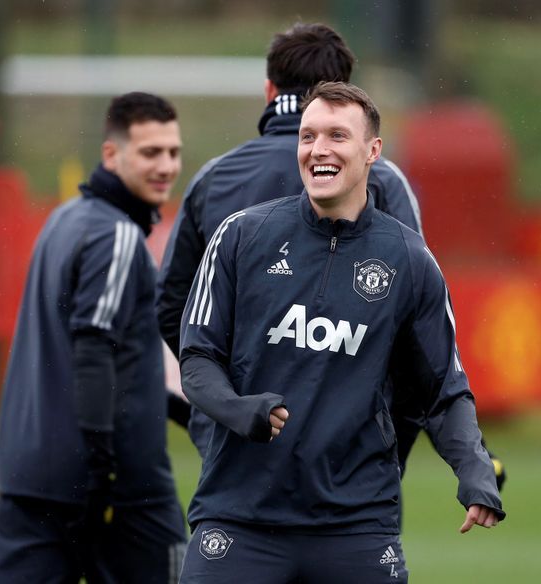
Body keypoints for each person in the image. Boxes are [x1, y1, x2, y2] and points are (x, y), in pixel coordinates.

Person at [177, 82, 505, 583]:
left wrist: (475, 470)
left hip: (356, 525)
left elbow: (442, 390)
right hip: (238, 519)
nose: (318, 150)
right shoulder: (242, 236)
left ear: (373, 150)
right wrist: (239, 409)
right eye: (308, 137)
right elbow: (197, 360)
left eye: (336, 136)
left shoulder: (410, 260)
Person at [156, 21, 505, 490]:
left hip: (238, 436)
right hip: (352, 449)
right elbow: (414, 317)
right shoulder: (380, 177)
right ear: (344, 90)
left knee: (239, 546)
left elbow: (172, 305)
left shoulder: (214, 178)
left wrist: (228, 390)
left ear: (268, 90)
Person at [0, 92, 186, 583]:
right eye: (150, 153)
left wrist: (190, 411)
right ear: (111, 155)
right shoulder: (117, 235)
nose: (166, 166)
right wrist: (103, 469)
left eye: (173, 152)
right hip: (115, 491)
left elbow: (109, 363)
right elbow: (93, 347)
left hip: (27, 477)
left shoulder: (63, 218)